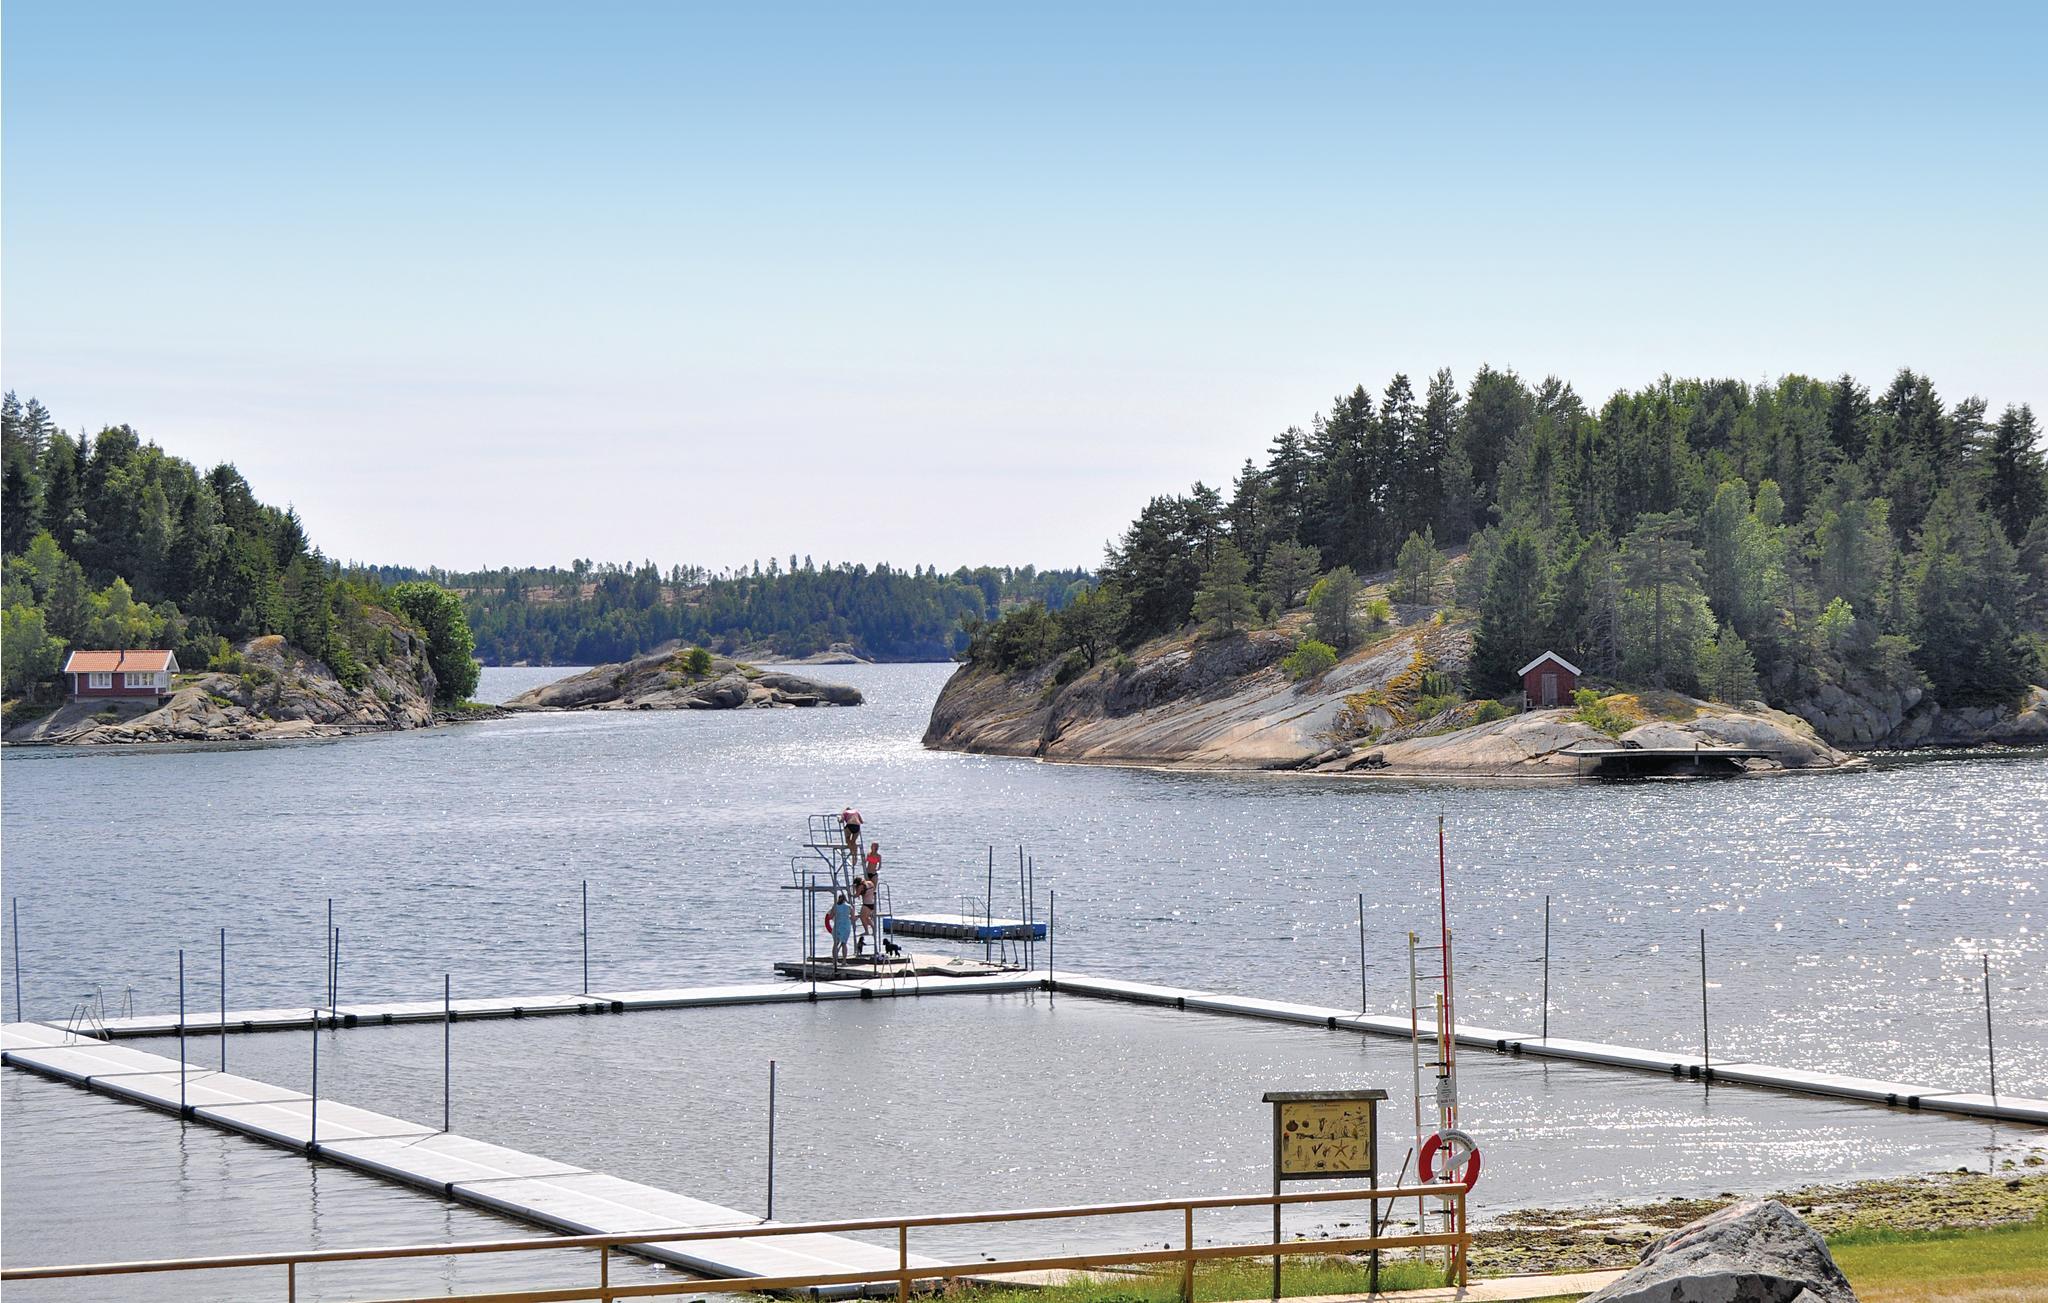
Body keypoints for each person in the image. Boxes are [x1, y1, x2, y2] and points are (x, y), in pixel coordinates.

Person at [854, 870, 878, 948]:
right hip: (872, 904)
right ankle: (873, 927)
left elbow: (856, 895)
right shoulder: (870, 883)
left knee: (862, 917)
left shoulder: (861, 886)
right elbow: (873, 890)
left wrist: (851, 894)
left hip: (866, 904)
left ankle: (866, 931)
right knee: (866, 918)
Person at [827, 892, 853, 961]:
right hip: (846, 926)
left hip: (837, 925)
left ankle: (834, 960)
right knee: (844, 943)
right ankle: (844, 960)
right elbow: (853, 917)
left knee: (835, 943)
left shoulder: (835, 906)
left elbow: (831, 916)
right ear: (845, 899)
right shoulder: (849, 906)